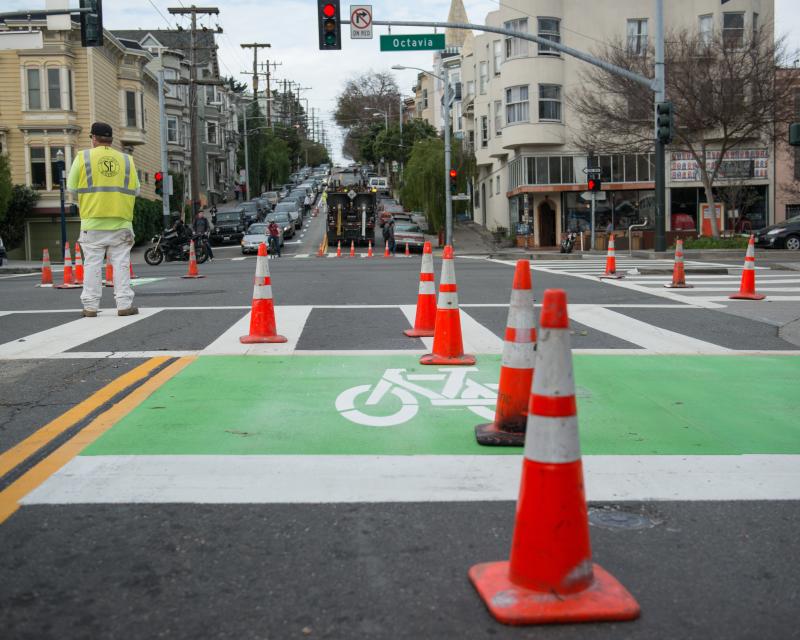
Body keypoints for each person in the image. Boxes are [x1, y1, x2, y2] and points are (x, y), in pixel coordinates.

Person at [67, 121, 139, 318]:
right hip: (121, 221)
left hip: (93, 220)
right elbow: (137, 189)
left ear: (93, 138)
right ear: (111, 139)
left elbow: (72, 188)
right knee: (121, 263)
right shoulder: (126, 160)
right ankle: (124, 305)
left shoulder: (83, 158)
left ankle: (90, 307)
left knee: (91, 264)